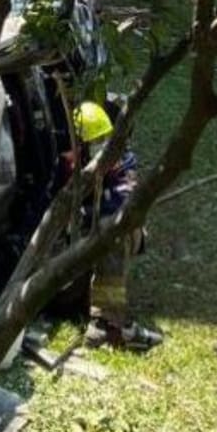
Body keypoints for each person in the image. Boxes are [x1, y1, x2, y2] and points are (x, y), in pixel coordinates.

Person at [72, 100, 163, 352]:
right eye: (94, 142)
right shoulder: (69, 161)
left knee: (113, 231)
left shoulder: (123, 164)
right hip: (77, 234)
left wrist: (88, 210)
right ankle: (101, 318)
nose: (100, 148)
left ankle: (108, 322)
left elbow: (124, 204)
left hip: (112, 229)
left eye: (104, 140)